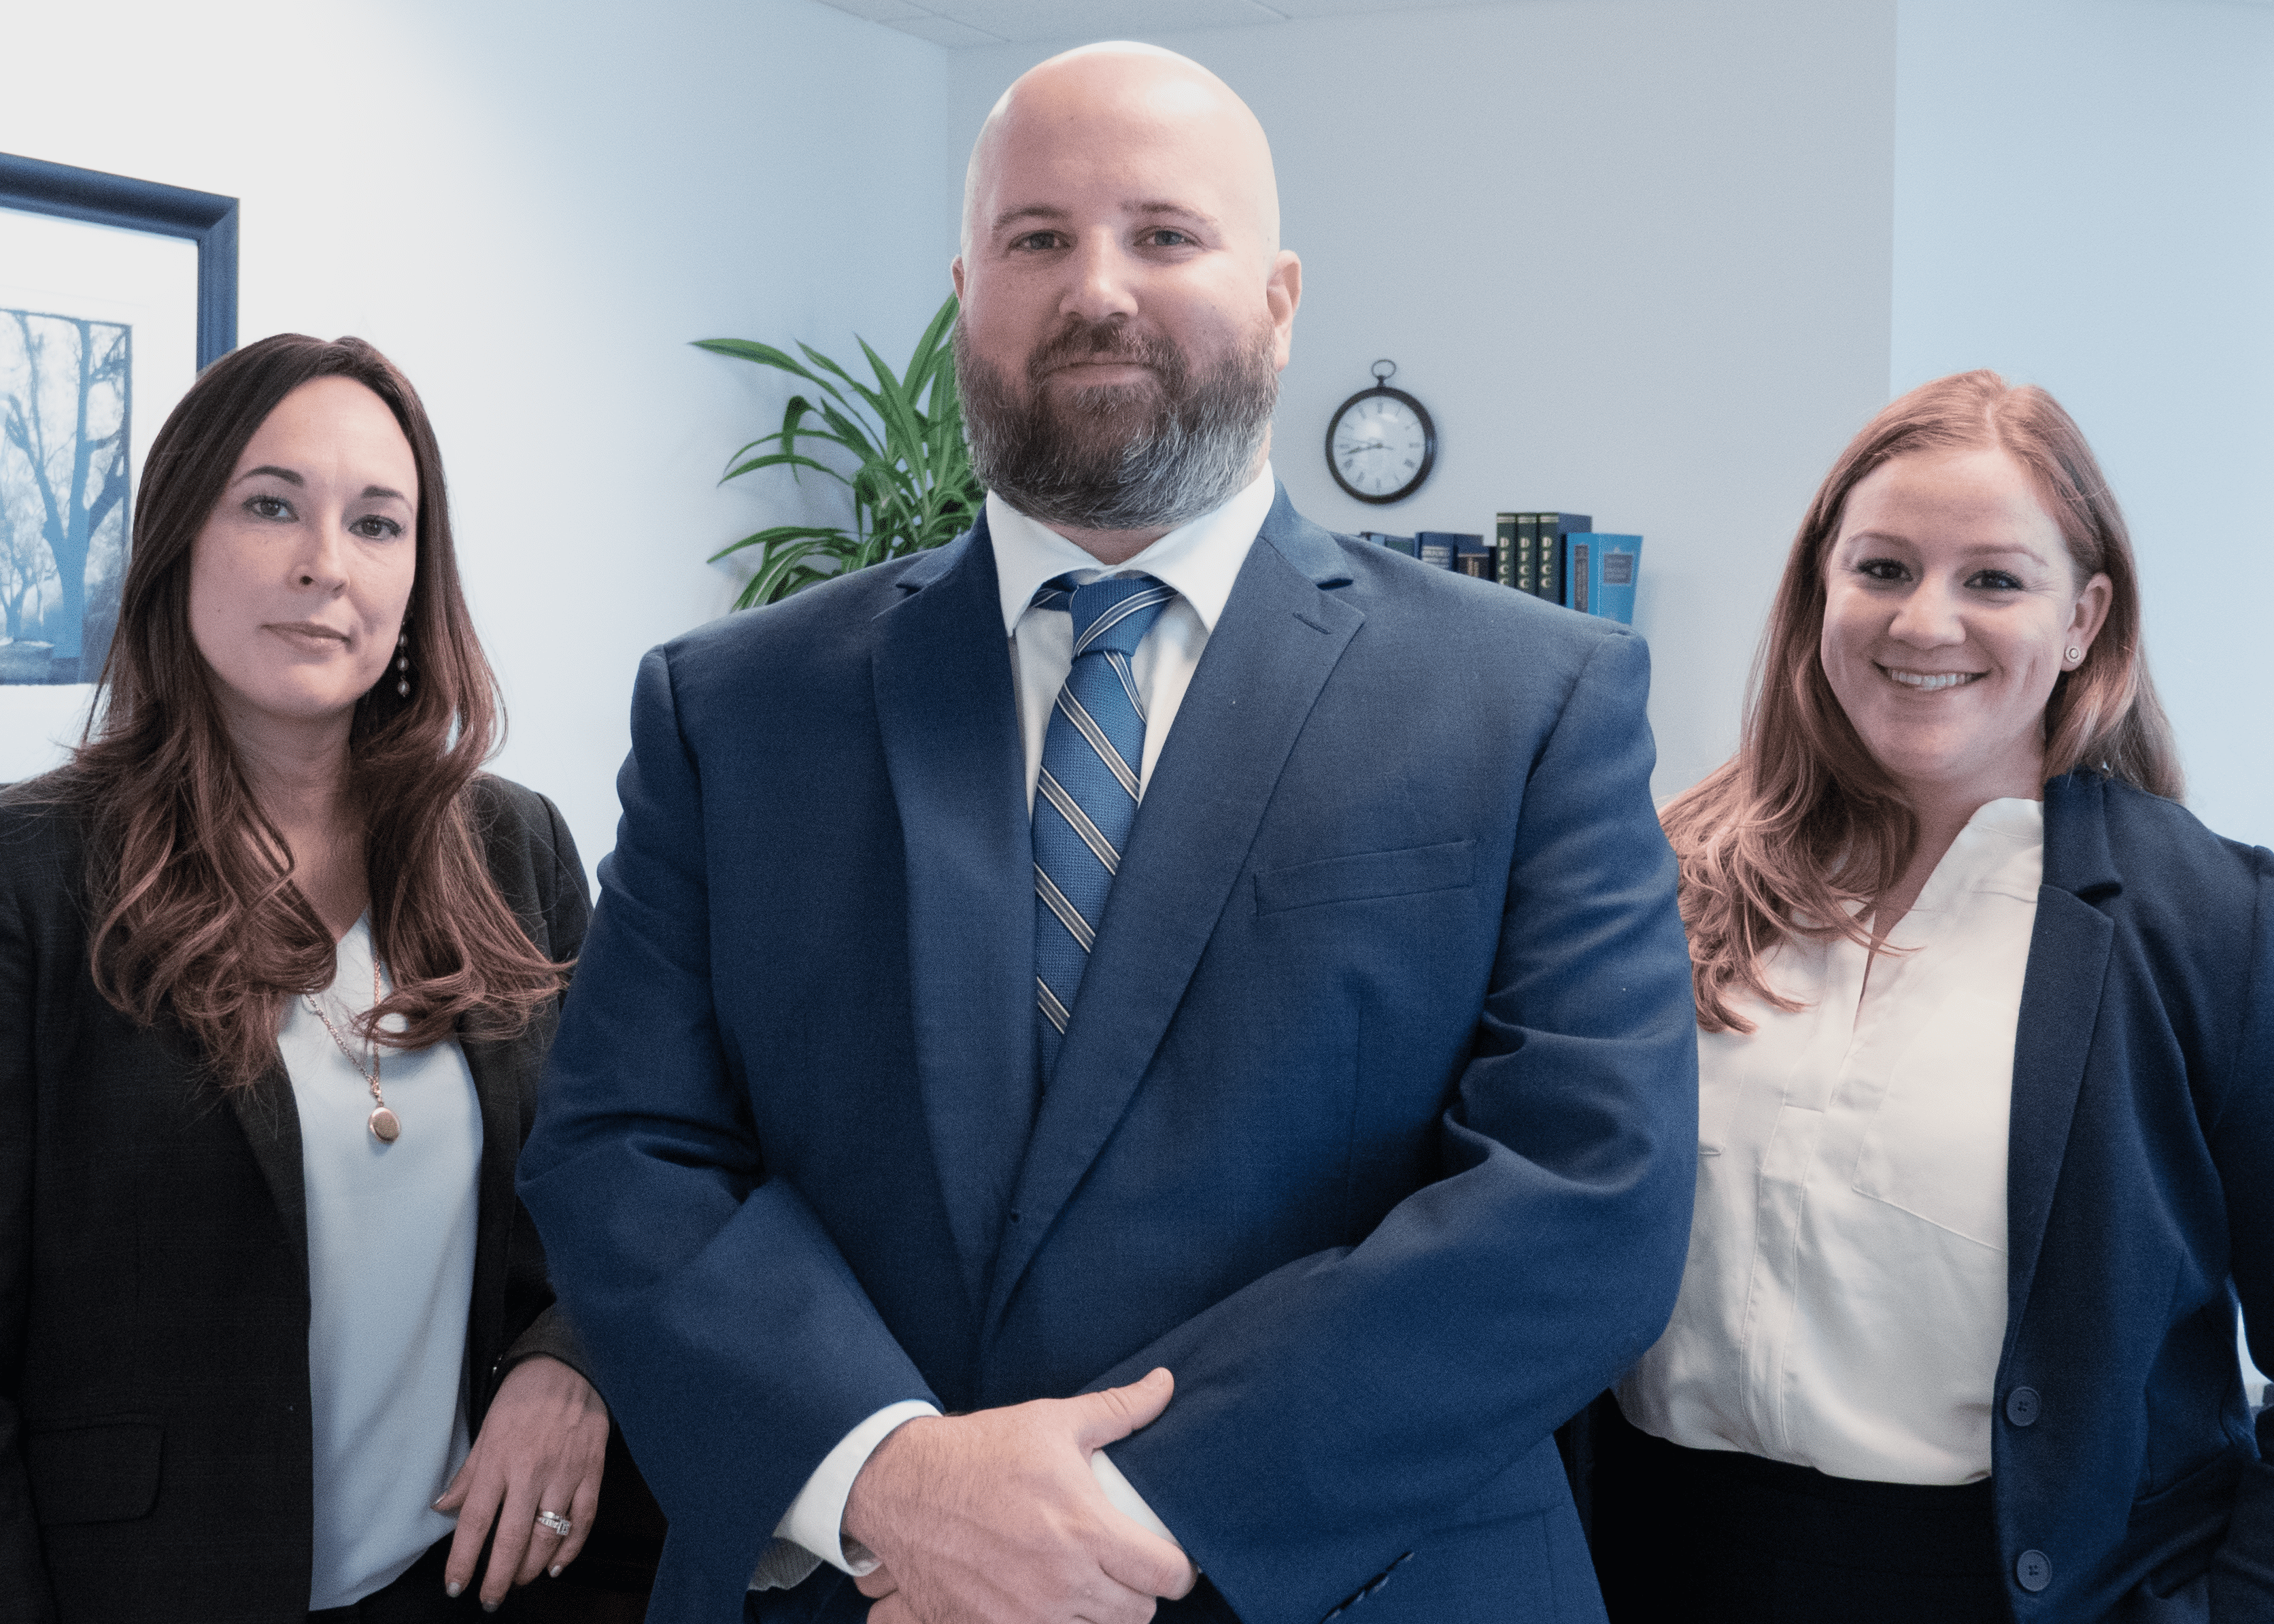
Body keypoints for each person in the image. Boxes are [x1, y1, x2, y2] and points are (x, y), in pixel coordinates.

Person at [519, 42, 1698, 1624]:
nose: (1096, 287)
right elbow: (625, 1148)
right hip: (859, 1577)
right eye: (1037, 238)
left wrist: (1107, 1514)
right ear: (967, 295)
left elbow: (1589, 1196)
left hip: (1349, 1579)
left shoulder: (1533, 698)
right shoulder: (731, 708)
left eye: (1163, 234)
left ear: (1279, 298)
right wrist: (887, 1476)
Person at [1591, 369, 2274, 1621]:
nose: (1924, 623)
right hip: (1652, 1564)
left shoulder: (2218, 930)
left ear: (2085, 618)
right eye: (1884, 569)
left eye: (1995, 580)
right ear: (1821, 590)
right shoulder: (1659, 875)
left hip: (2014, 1586)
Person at [0, 333, 660, 1623]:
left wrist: (569, 1359)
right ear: (179, 540)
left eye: (376, 523)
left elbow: (619, 1172)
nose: (325, 563)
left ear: (416, 579)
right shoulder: (34, 875)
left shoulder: (510, 846)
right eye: (270, 506)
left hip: (460, 1582)